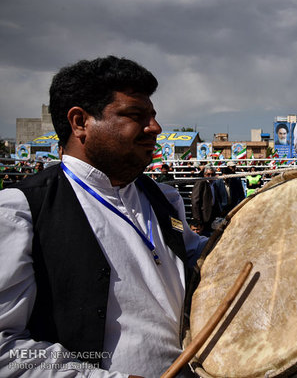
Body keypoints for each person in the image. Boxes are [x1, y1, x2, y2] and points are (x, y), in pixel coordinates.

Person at [0, 56, 207, 376]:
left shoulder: (164, 199)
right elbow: (5, 349)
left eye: (153, 115)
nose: (155, 128)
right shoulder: (21, 212)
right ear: (80, 122)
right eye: (135, 115)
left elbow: (197, 256)